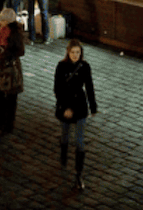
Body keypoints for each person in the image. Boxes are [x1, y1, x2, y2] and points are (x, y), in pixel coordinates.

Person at [53, 39, 98, 190]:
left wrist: (93, 107)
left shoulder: (85, 67)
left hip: (80, 107)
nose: (75, 55)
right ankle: (63, 154)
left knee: (79, 141)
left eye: (78, 52)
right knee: (65, 134)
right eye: (72, 52)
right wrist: (65, 107)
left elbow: (89, 86)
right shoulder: (61, 66)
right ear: (68, 52)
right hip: (66, 105)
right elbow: (58, 89)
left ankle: (79, 173)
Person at [0, 7, 26, 132]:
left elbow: (20, 51)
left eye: (2, 20)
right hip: (1, 68)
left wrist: (5, 53)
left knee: (11, 98)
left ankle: (8, 125)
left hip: (11, 69)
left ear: (8, 21)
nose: (0, 22)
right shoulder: (1, 30)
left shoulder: (15, 33)